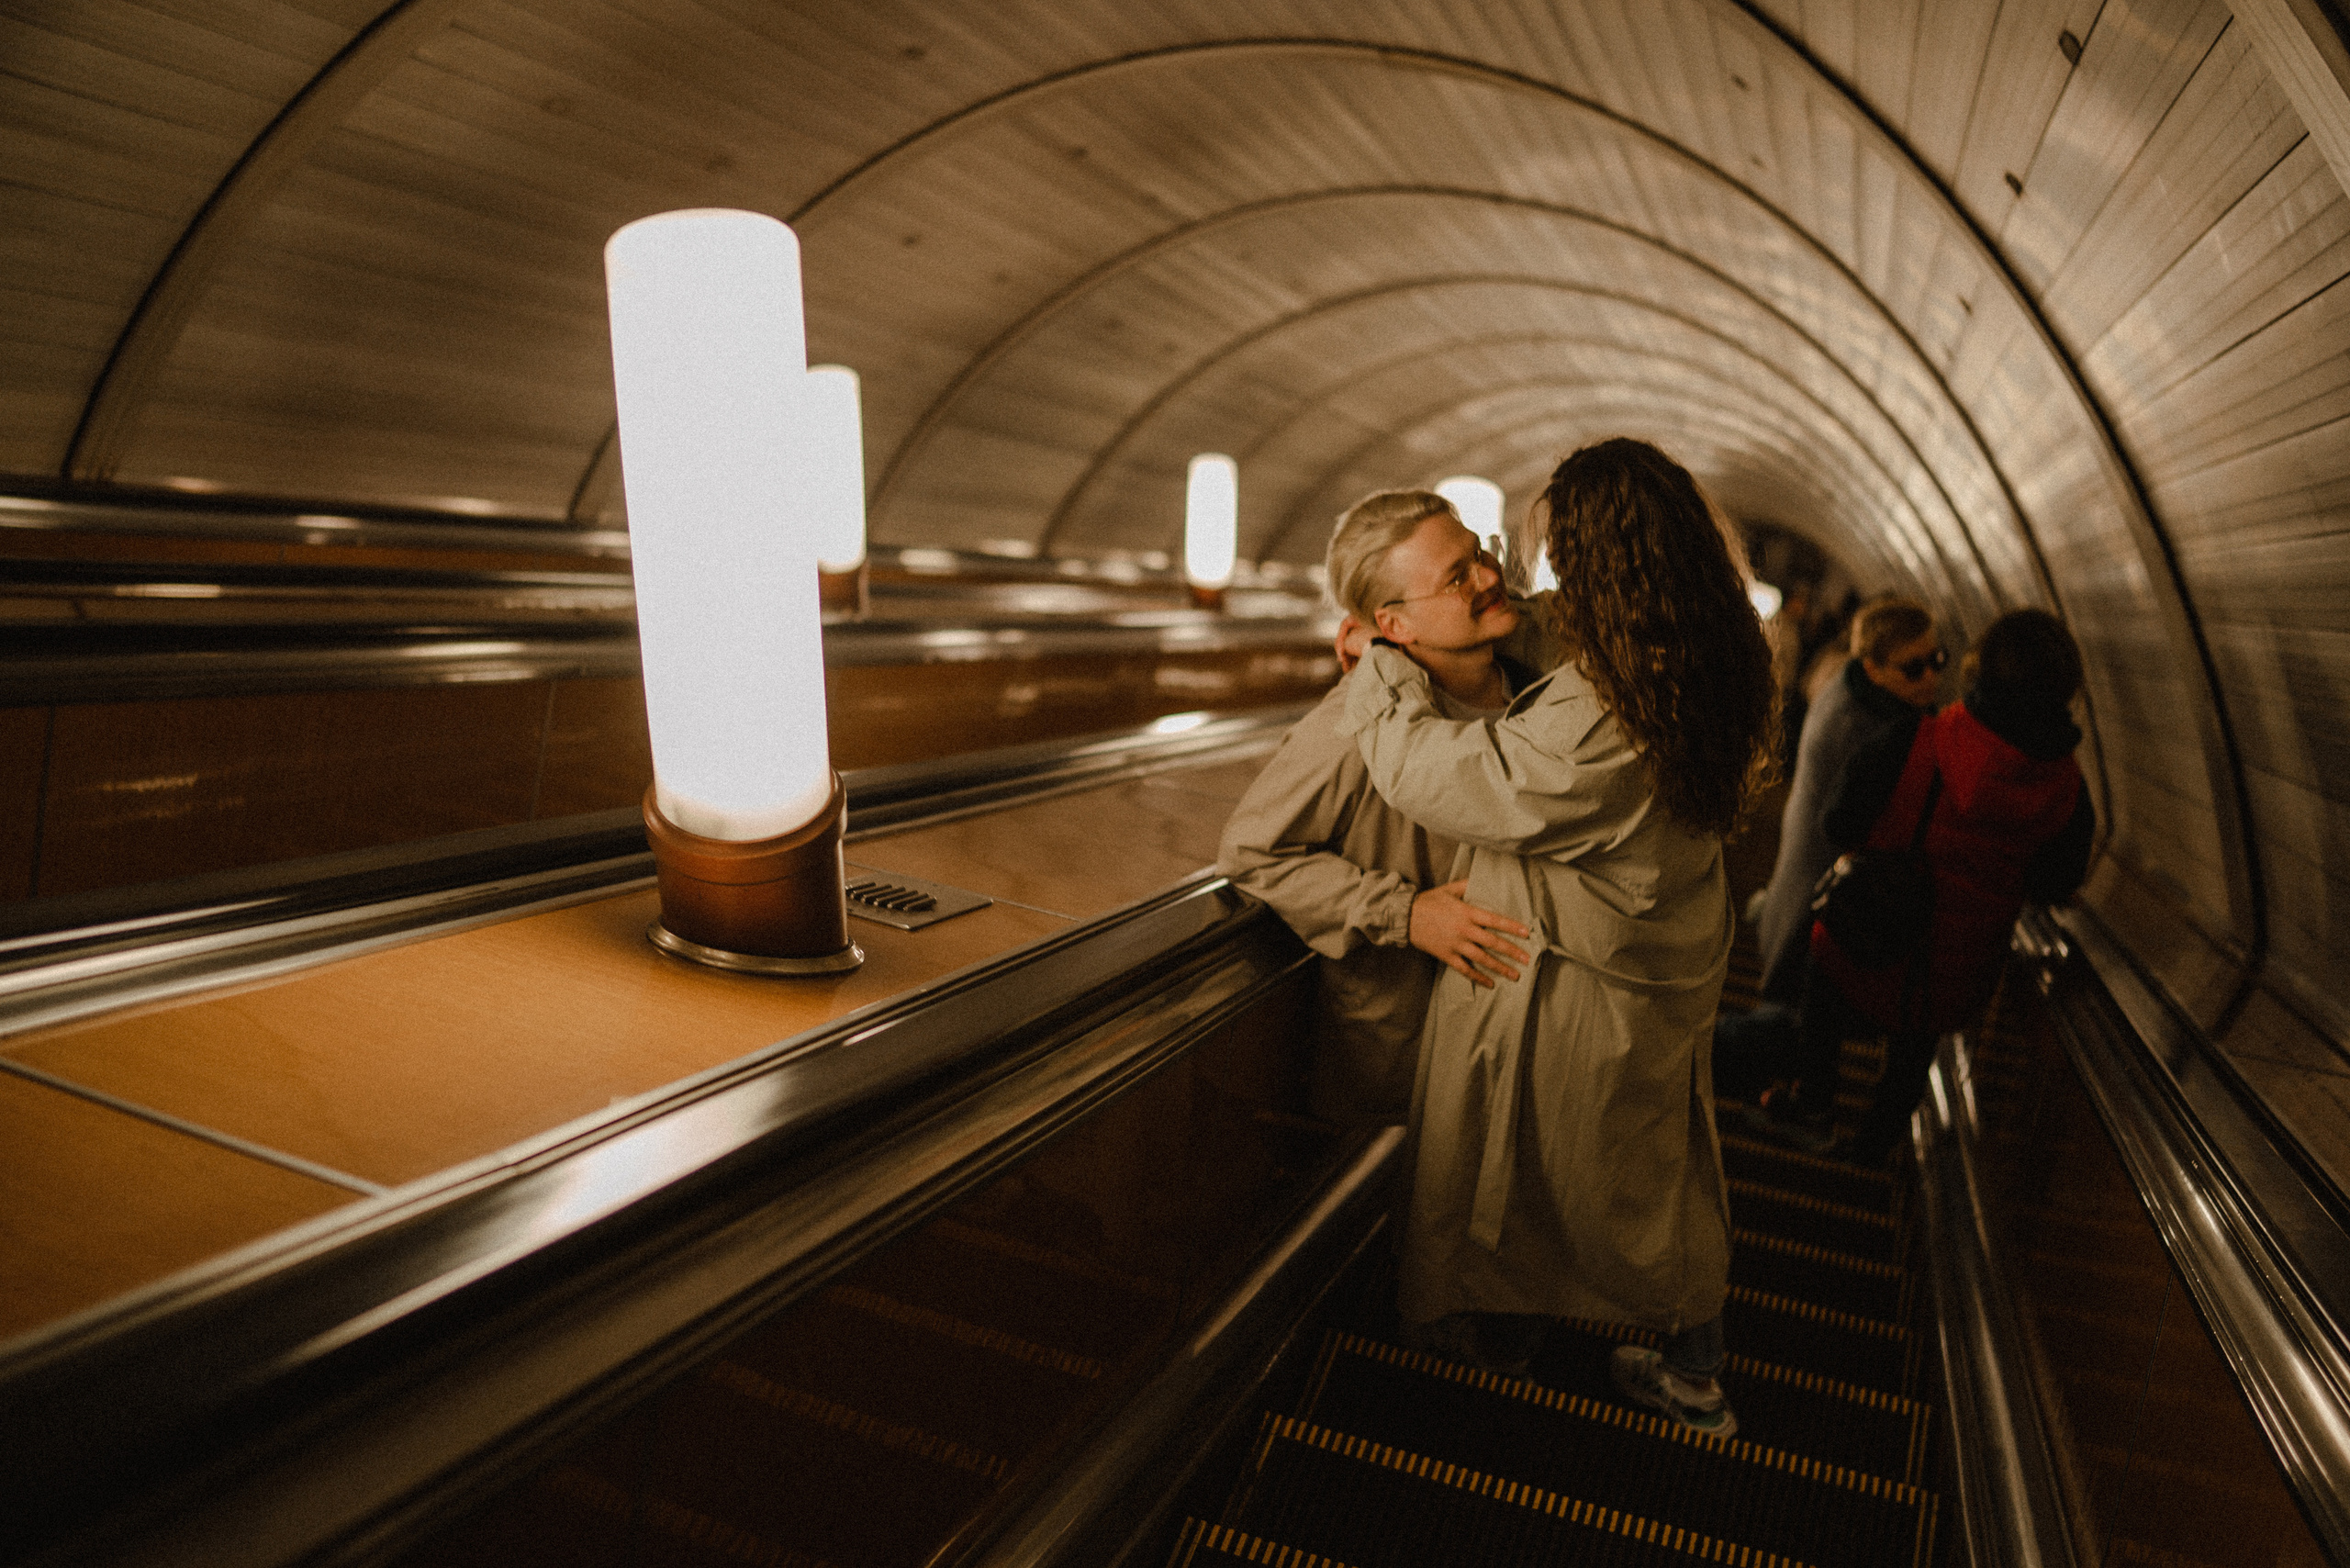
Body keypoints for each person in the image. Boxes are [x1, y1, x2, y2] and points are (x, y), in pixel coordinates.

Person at [1339, 438, 1777, 1438]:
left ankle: (1681, 1369)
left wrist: (1380, 663)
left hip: (1604, 980)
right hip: (1665, 948)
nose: (1535, 580)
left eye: (1562, 558)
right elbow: (1555, 639)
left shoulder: (1602, 718)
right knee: (1657, 1151)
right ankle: (1682, 1356)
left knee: (1597, 1170)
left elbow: (1439, 772)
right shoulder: (1699, 643)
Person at [1216, 490, 1546, 1129]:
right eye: (1456, 577)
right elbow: (1252, 853)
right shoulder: (1355, 724)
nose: (1487, 578)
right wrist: (1406, 913)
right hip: (1407, 1063)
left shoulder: (1539, 694)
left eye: (1480, 555)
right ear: (1394, 626)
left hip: (1521, 1042)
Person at [1761, 608, 2095, 1166]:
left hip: (1868, 937)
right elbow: (2057, 882)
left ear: (1978, 671)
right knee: (1912, 1058)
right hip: (1956, 969)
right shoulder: (2068, 792)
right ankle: (1869, 1151)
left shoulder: (1918, 739)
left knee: (1822, 1000)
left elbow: (1838, 822)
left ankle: (1813, 1105)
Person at [1715, 599, 1944, 1096]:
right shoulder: (1871, 733)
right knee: (1796, 1021)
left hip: (1798, 886)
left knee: (1802, 1016)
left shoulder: (1845, 688)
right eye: (1913, 668)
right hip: (1819, 904)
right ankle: (1701, 1061)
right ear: (1873, 668)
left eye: (1937, 661)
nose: (1930, 678)